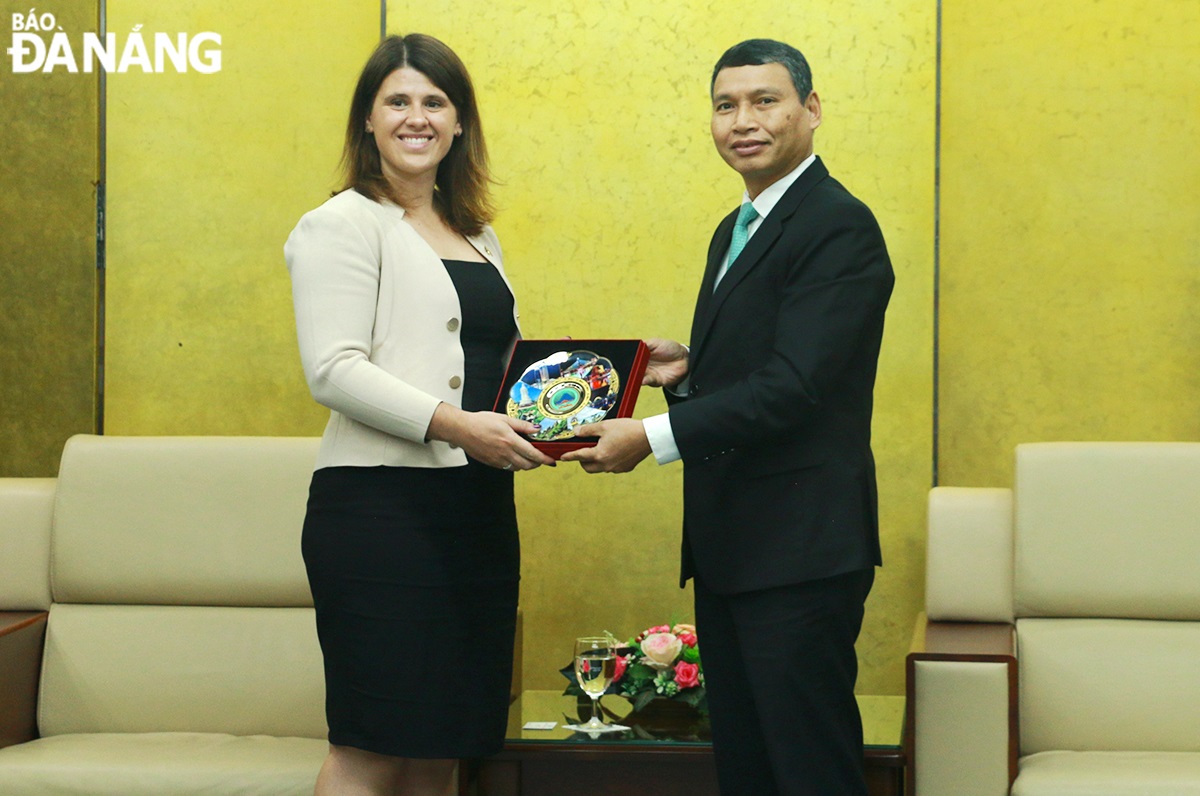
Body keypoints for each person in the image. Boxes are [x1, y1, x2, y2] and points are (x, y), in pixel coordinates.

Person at [562, 39, 894, 795]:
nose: (743, 120)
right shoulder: (735, 226)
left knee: (807, 767)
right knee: (748, 767)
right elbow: (760, 374)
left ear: (811, 110)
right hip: (735, 548)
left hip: (801, 552)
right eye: (725, 105)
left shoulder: (839, 225)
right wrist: (687, 380)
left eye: (765, 101)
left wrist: (649, 437)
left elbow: (796, 386)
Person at [284, 34, 554, 796]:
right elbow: (333, 370)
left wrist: (593, 393)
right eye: (396, 101)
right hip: (379, 514)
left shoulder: (477, 233)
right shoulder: (340, 223)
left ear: (460, 122)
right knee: (372, 745)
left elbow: (497, 366)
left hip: (474, 511)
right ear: (366, 120)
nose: (417, 117)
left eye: (434, 102)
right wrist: (457, 425)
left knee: (443, 746)